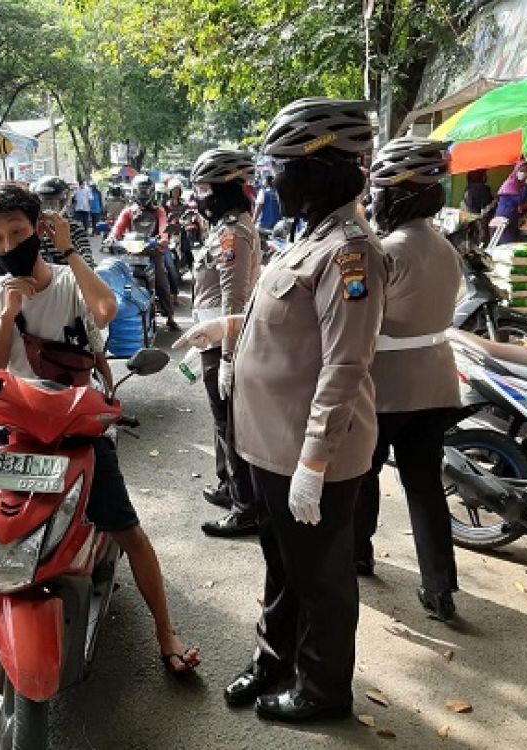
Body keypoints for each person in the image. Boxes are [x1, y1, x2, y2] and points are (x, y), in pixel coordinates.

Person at [0, 181, 200, 673]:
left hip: (75, 430)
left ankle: (166, 630)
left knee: (127, 528)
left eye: (18, 231)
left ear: (39, 228)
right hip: (12, 431)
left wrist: (70, 252)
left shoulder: (69, 281)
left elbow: (106, 311)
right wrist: (8, 316)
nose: (8, 244)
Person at [177, 98, 385, 723]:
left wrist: (314, 464)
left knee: (321, 579)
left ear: (322, 170)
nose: (269, 183)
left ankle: (322, 689)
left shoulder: (352, 251)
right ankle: (275, 658)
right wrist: (226, 325)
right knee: (282, 563)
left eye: (283, 168)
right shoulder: (310, 239)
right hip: (269, 445)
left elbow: (344, 367)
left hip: (307, 452)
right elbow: (291, 328)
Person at [353, 137, 463, 622]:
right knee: (425, 486)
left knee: (362, 475)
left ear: (396, 195)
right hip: (437, 386)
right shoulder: (447, 248)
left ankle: (358, 553)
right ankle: (440, 589)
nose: (372, 201)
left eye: (377, 192)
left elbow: (359, 321)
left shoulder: (386, 251)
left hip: (385, 389)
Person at [184, 149, 262, 538]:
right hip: (211, 337)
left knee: (230, 425)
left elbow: (234, 300)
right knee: (221, 421)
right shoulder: (227, 227)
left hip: (223, 342)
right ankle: (228, 486)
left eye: (204, 190)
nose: (199, 198)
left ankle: (245, 507)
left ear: (222, 192)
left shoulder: (232, 232)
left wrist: (229, 356)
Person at [108, 174, 180, 331]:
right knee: (116, 279)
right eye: (140, 192)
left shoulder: (158, 211)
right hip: (130, 254)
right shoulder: (129, 212)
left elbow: (163, 227)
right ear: (134, 192)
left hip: (153, 252)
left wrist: (163, 239)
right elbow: (117, 228)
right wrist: (111, 238)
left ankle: (170, 316)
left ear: (152, 192)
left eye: (146, 192)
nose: (143, 195)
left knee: (162, 279)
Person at [32, 176, 93, 265]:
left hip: (71, 276)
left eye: (54, 202)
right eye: (45, 202)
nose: (50, 208)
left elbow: (88, 260)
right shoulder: (32, 228)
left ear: (64, 202)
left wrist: (67, 249)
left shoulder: (74, 227)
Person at [494, 159, 527, 244]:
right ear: (516, 170)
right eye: (521, 170)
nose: (524, 173)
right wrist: (526, 184)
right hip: (504, 219)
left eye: (526, 171)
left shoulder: (519, 185)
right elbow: (520, 199)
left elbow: (522, 201)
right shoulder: (511, 184)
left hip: (512, 219)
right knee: (508, 246)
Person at [163, 178, 194, 269]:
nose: (175, 193)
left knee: (187, 249)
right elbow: (162, 216)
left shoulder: (184, 205)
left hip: (181, 230)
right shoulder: (166, 205)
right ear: (170, 192)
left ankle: (192, 269)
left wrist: (186, 222)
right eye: (174, 191)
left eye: (177, 190)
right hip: (169, 231)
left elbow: (189, 215)